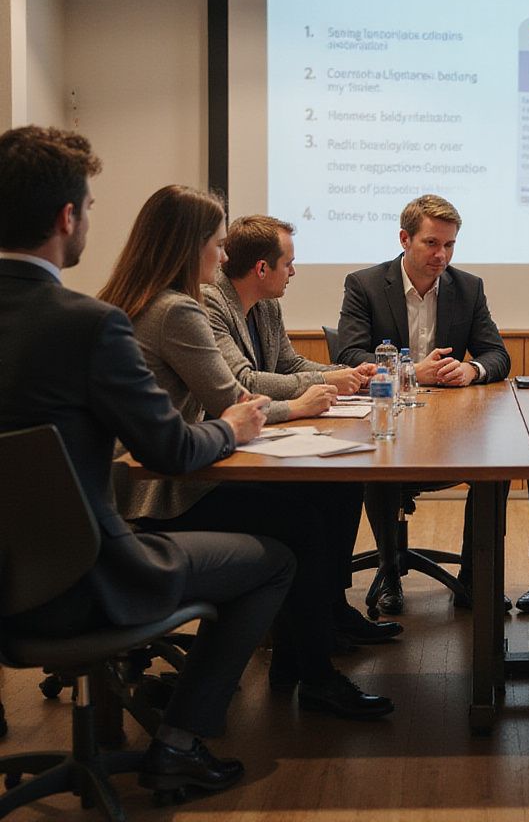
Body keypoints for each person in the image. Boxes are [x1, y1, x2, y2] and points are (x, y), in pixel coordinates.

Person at [0, 125, 294, 797]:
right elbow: (170, 450)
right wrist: (229, 424)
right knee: (274, 560)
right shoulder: (85, 323)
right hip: (81, 581)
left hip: (7, 583)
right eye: (91, 208)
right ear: (67, 217)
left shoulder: (102, 314)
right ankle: (180, 743)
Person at [99, 185, 394, 721]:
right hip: (162, 489)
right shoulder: (178, 311)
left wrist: (331, 382)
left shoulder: (135, 301)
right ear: (192, 249)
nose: (223, 254)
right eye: (216, 243)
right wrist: (300, 408)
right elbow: (233, 398)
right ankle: (313, 674)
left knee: (320, 500)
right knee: (300, 522)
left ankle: (302, 655)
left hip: (142, 479)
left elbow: (276, 372)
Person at [202, 213, 398, 644]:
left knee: (342, 485)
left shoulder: (267, 304)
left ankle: (331, 609)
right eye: (288, 263)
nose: (293, 272)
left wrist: (347, 372)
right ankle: (306, 631)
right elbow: (243, 382)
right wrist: (317, 386)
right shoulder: (209, 304)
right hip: (222, 453)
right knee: (312, 506)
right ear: (261, 269)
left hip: (258, 436)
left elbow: (289, 364)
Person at [336, 193, 511, 612]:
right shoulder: (365, 284)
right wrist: (412, 371)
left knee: (500, 469)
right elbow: (348, 355)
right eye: (431, 243)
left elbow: (497, 355)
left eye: (449, 245)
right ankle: (389, 570)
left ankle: (475, 578)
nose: (441, 255)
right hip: (387, 420)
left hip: (452, 424)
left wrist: (472, 371)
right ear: (404, 239)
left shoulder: (468, 288)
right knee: (380, 466)